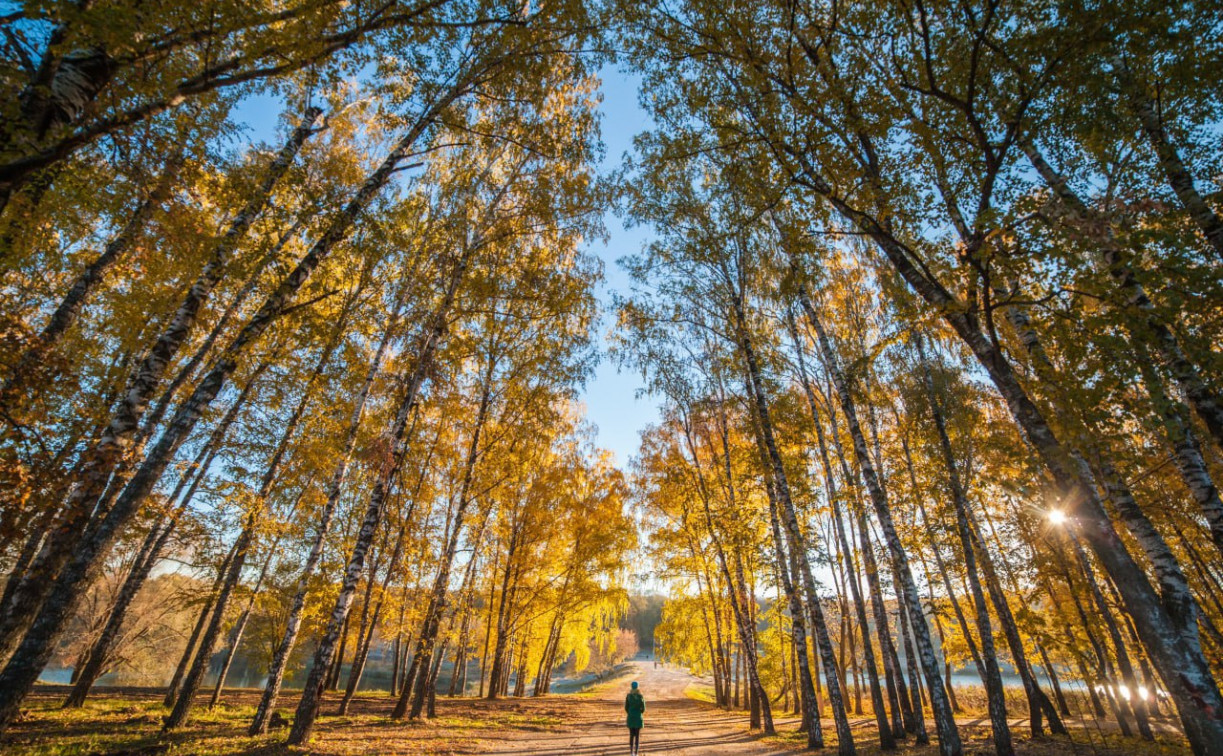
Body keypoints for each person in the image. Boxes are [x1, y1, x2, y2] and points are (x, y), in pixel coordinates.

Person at [625, 680, 645, 755]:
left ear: (631, 687)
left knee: (631, 735)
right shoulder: (640, 696)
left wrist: (630, 713)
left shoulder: (628, 696)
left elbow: (626, 707)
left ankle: (631, 753)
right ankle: (636, 753)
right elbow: (643, 708)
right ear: (637, 687)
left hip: (631, 718)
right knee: (637, 736)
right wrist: (639, 713)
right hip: (638, 718)